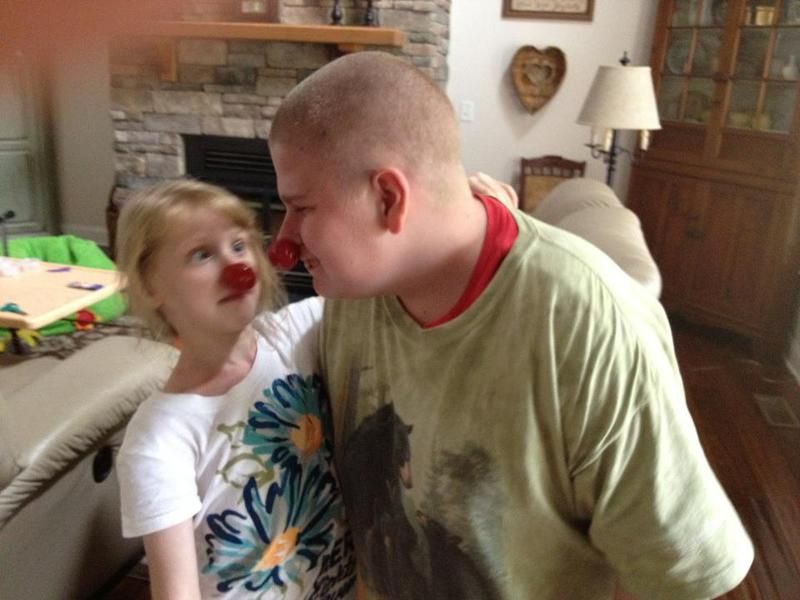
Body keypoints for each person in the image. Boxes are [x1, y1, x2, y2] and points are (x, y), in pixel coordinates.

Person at [267, 51, 754, 600]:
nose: (285, 241)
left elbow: (689, 578)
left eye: (301, 207)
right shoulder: (356, 290)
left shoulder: (589, 326)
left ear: (388, 198)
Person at [115, 179, 355, 599]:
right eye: (202, 254)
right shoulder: (158, 441)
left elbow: (384, 284)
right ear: (151, 286)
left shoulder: (294, 334)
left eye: (240, 246)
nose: (235, 267)